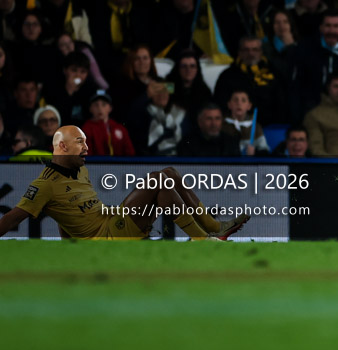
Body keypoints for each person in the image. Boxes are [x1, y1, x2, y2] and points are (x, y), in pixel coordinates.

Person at [0, 125, 248, 240]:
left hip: (113, 221)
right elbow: (12, 218)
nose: (87, 147)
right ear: (62, 147)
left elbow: (67, 215)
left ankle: (213, 228)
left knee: (168, 176)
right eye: (80, 142)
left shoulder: (79, 170)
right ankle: (206, 239)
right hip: (108, 236)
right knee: (158, 180)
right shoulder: (44, 185)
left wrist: (69, 245)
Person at [81, 90, 135, 156]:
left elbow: (130, 154)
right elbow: (86, 155)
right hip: (96, 165)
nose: (100, 108)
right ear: (90, 108)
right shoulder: (86, 129)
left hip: (119, 166)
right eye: (96, 105)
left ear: (110, 108)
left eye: (104, 104)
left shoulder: (120, 128)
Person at [177, 103, 241, 157]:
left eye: (217, 118)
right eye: (209, 119)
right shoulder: (187, 144)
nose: (214, 123)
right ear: (200, 122)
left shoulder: (231, 143)